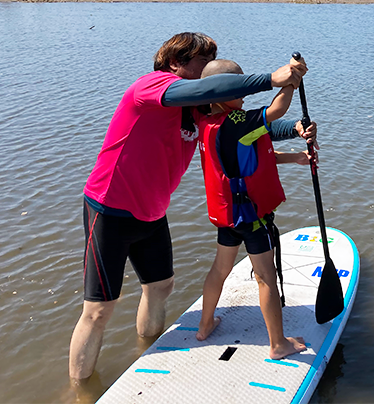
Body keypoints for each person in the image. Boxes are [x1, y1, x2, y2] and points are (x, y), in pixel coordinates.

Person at [69, 32, 315, 383]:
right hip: (110, 208)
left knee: (160, 287)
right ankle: (78, 390)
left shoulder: (199, 113)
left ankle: (145, 355)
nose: (208, 76)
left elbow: (244, 127)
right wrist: (271, 80)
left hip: (152, 211)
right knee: (98, 311)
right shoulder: (150, 87)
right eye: (202, 62)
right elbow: (216, 97)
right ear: (175, 63)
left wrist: (292, 128)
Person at [195, 59, 312, 359]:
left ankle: (205, 325)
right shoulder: (236, 123)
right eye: (238, 87)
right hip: (251, 217)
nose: (244, 94)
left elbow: (247, 161)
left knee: (220, 269)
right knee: (265, 277)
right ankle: (277, 344)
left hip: (228, 215)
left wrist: (295, 157)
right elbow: (276, 112)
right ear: (220, 92)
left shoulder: (207, 121)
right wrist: (290, 82)